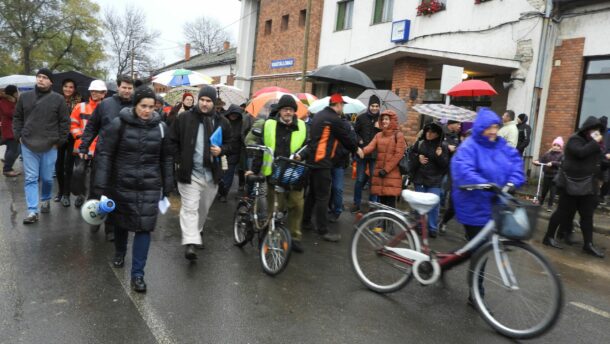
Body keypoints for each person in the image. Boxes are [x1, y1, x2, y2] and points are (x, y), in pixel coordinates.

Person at [94, 86, 174, 292]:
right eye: (143, 106)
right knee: (121, 223)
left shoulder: (161, 128)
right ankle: (120, 252)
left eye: (151, 106)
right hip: (121, 183)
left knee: (144, 227)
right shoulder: (118, 125)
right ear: (135, 105)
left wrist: (168, 184)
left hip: (149, 184)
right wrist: (100, 186)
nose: (147, 111)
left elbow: (166, 158)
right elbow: (105, 155)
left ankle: (138, 274)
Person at [169, 85, 233, 261]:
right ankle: (190, 243)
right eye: (202, 100)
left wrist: (221, 150)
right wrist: (179, 159)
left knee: (203, 208)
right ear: (198, 100)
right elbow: (171, 141)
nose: (204, 104)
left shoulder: (222, 122)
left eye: (208, 101)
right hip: (189, 172)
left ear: (214, 103)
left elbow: (231, 144)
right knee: (190, 208)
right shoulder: (184, 118)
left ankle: (196, 231)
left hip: (211, 174)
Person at [452, 107, 525, 245]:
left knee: (485, 247)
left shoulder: (501, 146)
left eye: (496, 127)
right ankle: (475, 267)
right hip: (473, 205)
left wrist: (513, 182)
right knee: (479, 248)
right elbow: (463, 170)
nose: (493, 131)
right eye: (489, 127)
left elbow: (515, 163)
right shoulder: (469, 147)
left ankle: (476, 265)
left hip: (495, 205)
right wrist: (484, 184)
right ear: (480, 128)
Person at [246, 95, 308, 252]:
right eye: (286, 109)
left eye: (291, 110)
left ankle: (294, 237)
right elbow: (261, 149)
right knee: (275, 209)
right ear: (280, 110)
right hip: (274, 174)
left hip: (294, 173)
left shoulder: (302, 125)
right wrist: (254, 169)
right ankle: (271, 236)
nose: (288, 112)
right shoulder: (269, 125)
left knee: (297, 205)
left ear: (295, 111)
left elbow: (310, 145)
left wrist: (304, 154)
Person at [80, 75, 135, 241]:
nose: (127, 90)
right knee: (98, 188)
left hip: (125, 157)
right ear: (117, 87)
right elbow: (91, 127)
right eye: (124, 87)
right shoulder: (105, 105)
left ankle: (110, 228)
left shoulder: (135, 106)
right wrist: (84, 146)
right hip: (104, 154)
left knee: (115, 193)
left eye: (129, 88)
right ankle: (95, 216)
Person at [542, 116, 606, 258]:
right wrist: (596, 142)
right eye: (594, 130)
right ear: (587, 129)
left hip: (588, 185)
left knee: (587, 216)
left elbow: (598, 160)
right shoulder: (575, 139)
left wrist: (605, 159)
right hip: (570, 184)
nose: (596, 133)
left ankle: (588, 244)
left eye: (598, 130)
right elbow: (581, 153)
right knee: (562, 212)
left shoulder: (594, 143)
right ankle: (548, 237)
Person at [13, 68, 69, 224]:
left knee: (47, 178)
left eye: (45, 77)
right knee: (31, 178)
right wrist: (19, 136)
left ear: (51, 81)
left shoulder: (58, 99)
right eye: (39, 77)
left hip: (50, 145)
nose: (41, 79)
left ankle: (45, 199)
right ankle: (32, 211)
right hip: (28, 143)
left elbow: (65, 122)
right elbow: (17, 118)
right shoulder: (24, 97)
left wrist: (60, 142)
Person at [303, 93, 361, 242]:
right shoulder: (334, 119)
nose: (343, 109)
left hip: (313, 160)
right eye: (342, 106)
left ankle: (306, 221)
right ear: (338, 105)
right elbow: (346, 138)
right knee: (323, 196)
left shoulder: (318, 115)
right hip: (322, 162)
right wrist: (357, 149)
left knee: (312, 194)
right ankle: (323, 230)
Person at [69, 80, 107, 207]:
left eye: (99, 91)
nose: (96, 93)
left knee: (97, 175)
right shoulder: (80, 106)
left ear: (104, 93)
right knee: (80, 173)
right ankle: (80, 195)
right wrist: (80, 136)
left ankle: (93, 198)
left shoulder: (107, 108)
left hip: (100, 148)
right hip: (83, 147)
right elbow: (73, 123)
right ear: (90, 92)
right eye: (94, 91)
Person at [358, 110, 406, 209]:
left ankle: (389, 224)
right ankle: (382, 223)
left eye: (387, 119)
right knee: (382, 205)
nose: (384, 121)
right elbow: (370, 147)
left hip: (392, 174)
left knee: (390, 206)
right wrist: (360, 151)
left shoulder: (398, 135)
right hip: (380, 174)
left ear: (392, 120)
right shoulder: (378, 135)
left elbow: (398, 155)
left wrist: (386, 170)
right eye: (383, 119)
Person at [409, 122, 450, 237]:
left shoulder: (443, 146)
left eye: (432, 132)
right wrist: (418, 158)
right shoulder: (420, 143)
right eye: (427, 131)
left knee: (433, 205)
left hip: (435, 180)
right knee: (419, 203)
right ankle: (419, 226)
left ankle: (432, 228)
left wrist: (440, 156)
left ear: (437, 134)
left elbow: (445, 165)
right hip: (420, 178)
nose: (428, 133)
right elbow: (411, 155)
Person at [351, 95, 380, 213]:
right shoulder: (361, 118)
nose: (374, 108)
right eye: (372, 106)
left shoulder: (382, 119)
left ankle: (372, 204)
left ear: (379, 107)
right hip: (362, 153)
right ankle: (356, 203)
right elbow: (355, 133)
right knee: (360, 179)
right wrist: (359, 141)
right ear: (369, 106)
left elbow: (386, 136)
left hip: (375, 155)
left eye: (376, 106)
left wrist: (379, 129)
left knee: (374, 180)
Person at [55, 78, 81, 207]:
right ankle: (60, 192)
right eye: (66, 86)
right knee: (58, 167)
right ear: (62, 87)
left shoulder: (79, 102)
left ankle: (66, 194)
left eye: (71, 87)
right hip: (59, 137)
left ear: (74, 89)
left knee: (68, 167)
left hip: (72, 137)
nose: (68, 89)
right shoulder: (56, 100)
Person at [329, 112, 356, 223]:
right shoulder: (328, 123)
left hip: (339, 162)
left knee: (337, 188)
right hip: (327, 161)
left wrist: (340, 152)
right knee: (328, 187)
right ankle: (330, 206)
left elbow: (351, 142)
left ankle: (337, 210)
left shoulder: (347, 125)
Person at [218, 104, 245, 202]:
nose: (234, 116)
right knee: (219, 173)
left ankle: (224, 193)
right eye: (232, 114)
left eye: (236, 114)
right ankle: (219, 190)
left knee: (229, 175)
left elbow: (242, 138)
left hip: (234, 153)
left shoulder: (241, 123)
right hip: (222, 151)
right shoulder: (222, 121)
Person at [534, 137, 563, 212]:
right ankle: (541, 202)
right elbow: (541, 160)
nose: (556, 146)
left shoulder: (561, 155)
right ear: (552, 145)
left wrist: (553, 163)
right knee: (544, 190)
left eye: (558, 145)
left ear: (560, 147)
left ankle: (550, 206)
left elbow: (562, 163)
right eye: (554, 145)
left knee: (552, 192)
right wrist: (536, 162)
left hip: (555, 176)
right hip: (547, 175)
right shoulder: (547, 153)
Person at [0, 85, 20, 177]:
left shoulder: (12, 100)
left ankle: (8, 165)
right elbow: (11, 113)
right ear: (12, 92)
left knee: (10, 148)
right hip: (9, 129)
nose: (17, 93)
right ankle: (7, 169)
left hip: (11, 128)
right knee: (14, 150)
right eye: (16, 91)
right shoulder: (4, 101)